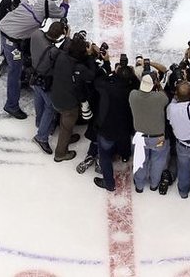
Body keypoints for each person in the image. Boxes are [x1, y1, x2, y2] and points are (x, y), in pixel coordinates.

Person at [0, 0, 71, 119]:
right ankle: (11, 105)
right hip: (12, 40)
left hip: (5, 26)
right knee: (15, 71)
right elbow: (63, 12)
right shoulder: (49, 5)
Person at [51, 31, 97, 162]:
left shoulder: (61, 56)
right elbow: (91, 75)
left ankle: (66, 137)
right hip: (68, 103)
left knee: (64, 121)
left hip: (57, 96)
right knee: (67, 124)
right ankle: (60, 153)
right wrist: (89, 57)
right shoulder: (79, 68)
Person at [93, 61, 135, 191]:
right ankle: (125, 156)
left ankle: (109, 183)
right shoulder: (133, 90)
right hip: (125, 127)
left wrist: (111, 72)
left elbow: (97, 82)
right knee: (124, 141)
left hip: (107, 129)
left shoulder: (108, 88)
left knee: (104, 156)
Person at [29, 21, 68, 154]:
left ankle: (40, 122)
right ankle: (41, 137)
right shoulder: (53, 51)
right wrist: (66, 38)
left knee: (38, 98)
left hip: (34, 75)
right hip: (45, 81)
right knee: (51, 106)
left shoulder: (36, 34)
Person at [130, 71, 171, 193]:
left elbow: (138, 91)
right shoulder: (159, 98)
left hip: (140, 137)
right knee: (158, 160)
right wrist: (158, 86)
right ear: (154, 84)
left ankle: (139, 185)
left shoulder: (133, 95)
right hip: (157, 138)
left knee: (140, 160)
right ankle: (154, 184)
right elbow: (165, 98)